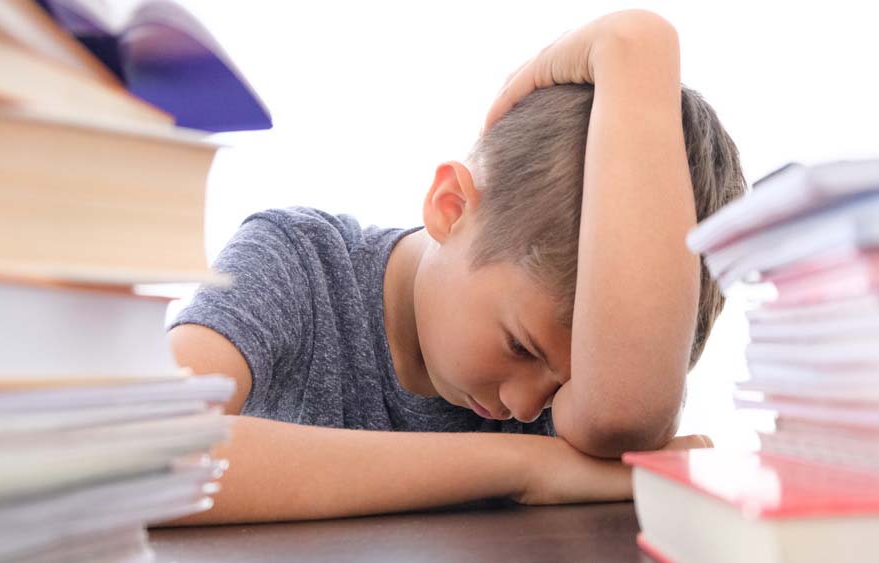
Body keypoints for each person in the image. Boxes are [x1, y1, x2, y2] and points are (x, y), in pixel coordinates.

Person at [166, 10, 746, 524]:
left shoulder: (586, 394)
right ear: (451, 207)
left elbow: (625, 411)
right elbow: (139, 454)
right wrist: (525, 467)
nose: (525, 408)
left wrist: (636, 55)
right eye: (522, 347)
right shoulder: (295, 262)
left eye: (569, 385)